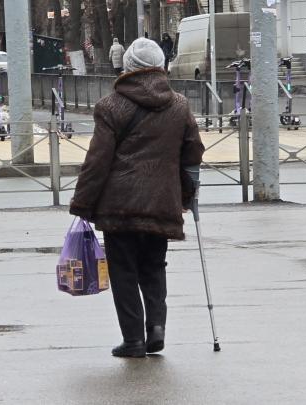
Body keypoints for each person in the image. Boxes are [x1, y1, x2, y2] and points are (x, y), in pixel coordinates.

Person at [69, 38, 205, 358]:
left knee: (124, 271)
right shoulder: (179, 105)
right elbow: (193, 152)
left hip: (120, 206)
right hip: (161, 202)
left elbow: (97, 161)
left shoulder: (111, 105)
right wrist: (186, 194)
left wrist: (83, 204)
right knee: (154, 267)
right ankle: (156, 327)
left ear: (128, 67)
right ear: (161, 66)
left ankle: (133, 341)